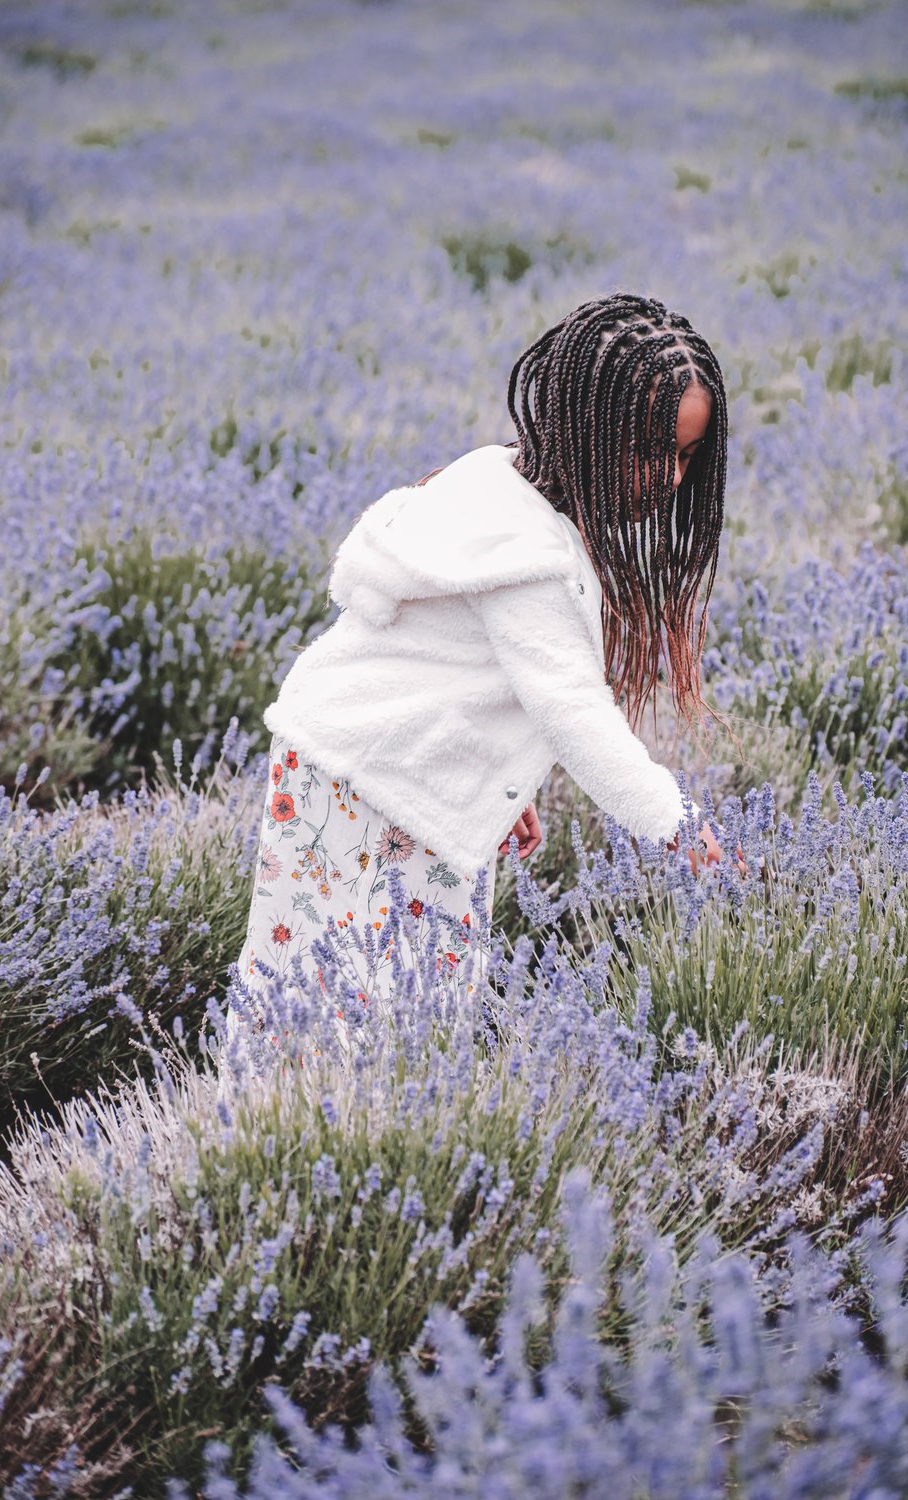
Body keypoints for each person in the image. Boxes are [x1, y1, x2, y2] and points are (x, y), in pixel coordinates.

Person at [227, 291, 743, 1044]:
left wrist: (494, 773)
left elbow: (451, 662)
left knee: (380, 1002)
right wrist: (674, 823)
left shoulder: (498, 476)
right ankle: (277, 1146)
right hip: (363, 782)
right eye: (650, 449)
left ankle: (307, 1140)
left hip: (362, 766)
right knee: (351, 1009)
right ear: (585, 428)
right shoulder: (525, 553)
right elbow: (570, 707)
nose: (669, 476)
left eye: (688, 455)